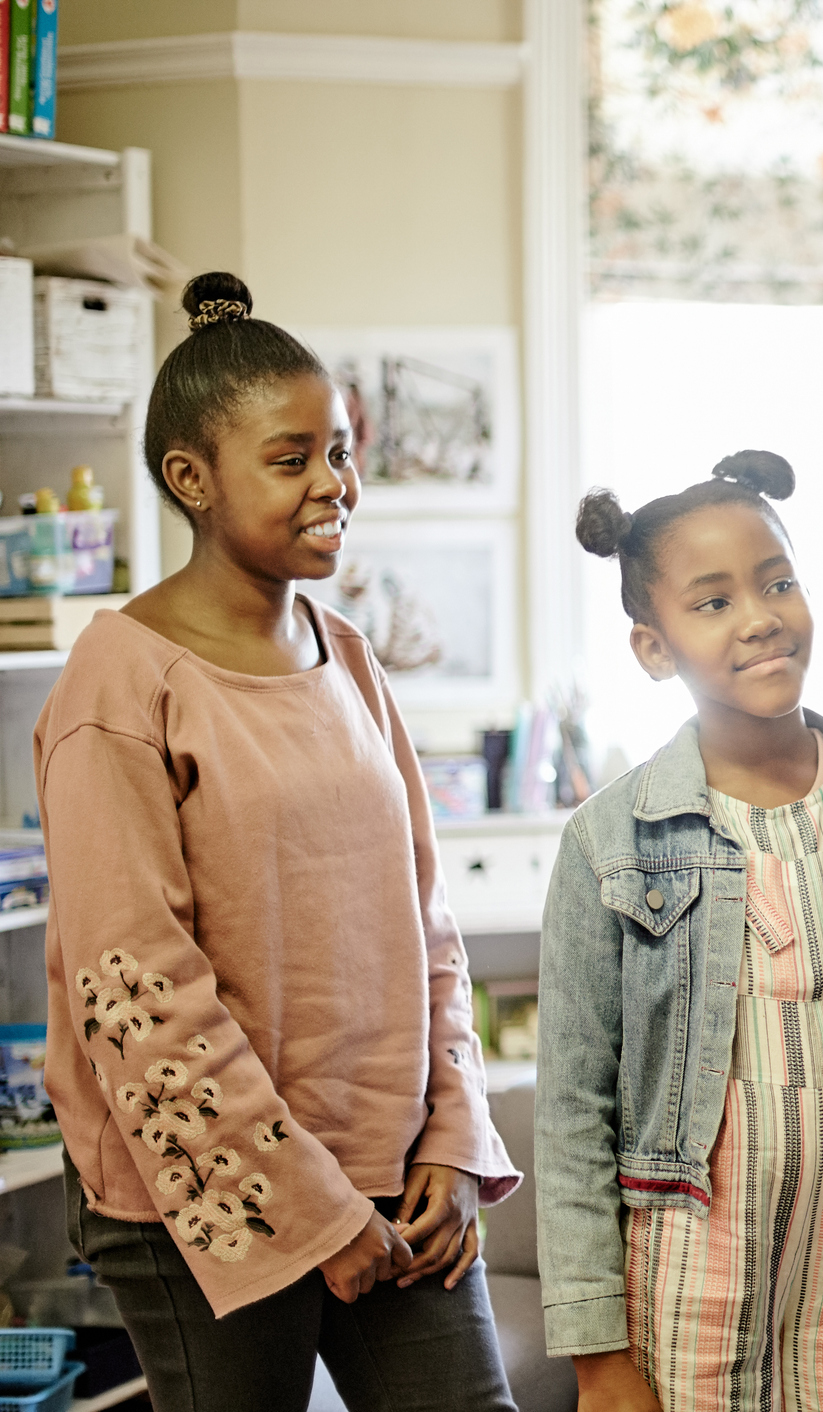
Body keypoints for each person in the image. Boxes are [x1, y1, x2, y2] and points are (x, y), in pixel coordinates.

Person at [36, 273, 521, 1411]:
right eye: (292, 457)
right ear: (191, 479)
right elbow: (136, 989)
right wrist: (308, 1210)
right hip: (203, 1195)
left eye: (341, 451)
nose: (333, 484)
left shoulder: (348, 655)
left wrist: (452, 1135)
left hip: (398, 1176)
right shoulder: (120, 683)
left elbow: (427, 922)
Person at [538, 453, 823, 1412]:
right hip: (695, 1281)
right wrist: (595, 1353)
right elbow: (573, 1108)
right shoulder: (610, 841)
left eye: (777, 581)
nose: (759, 615)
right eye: (712, 602)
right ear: (653, 648)